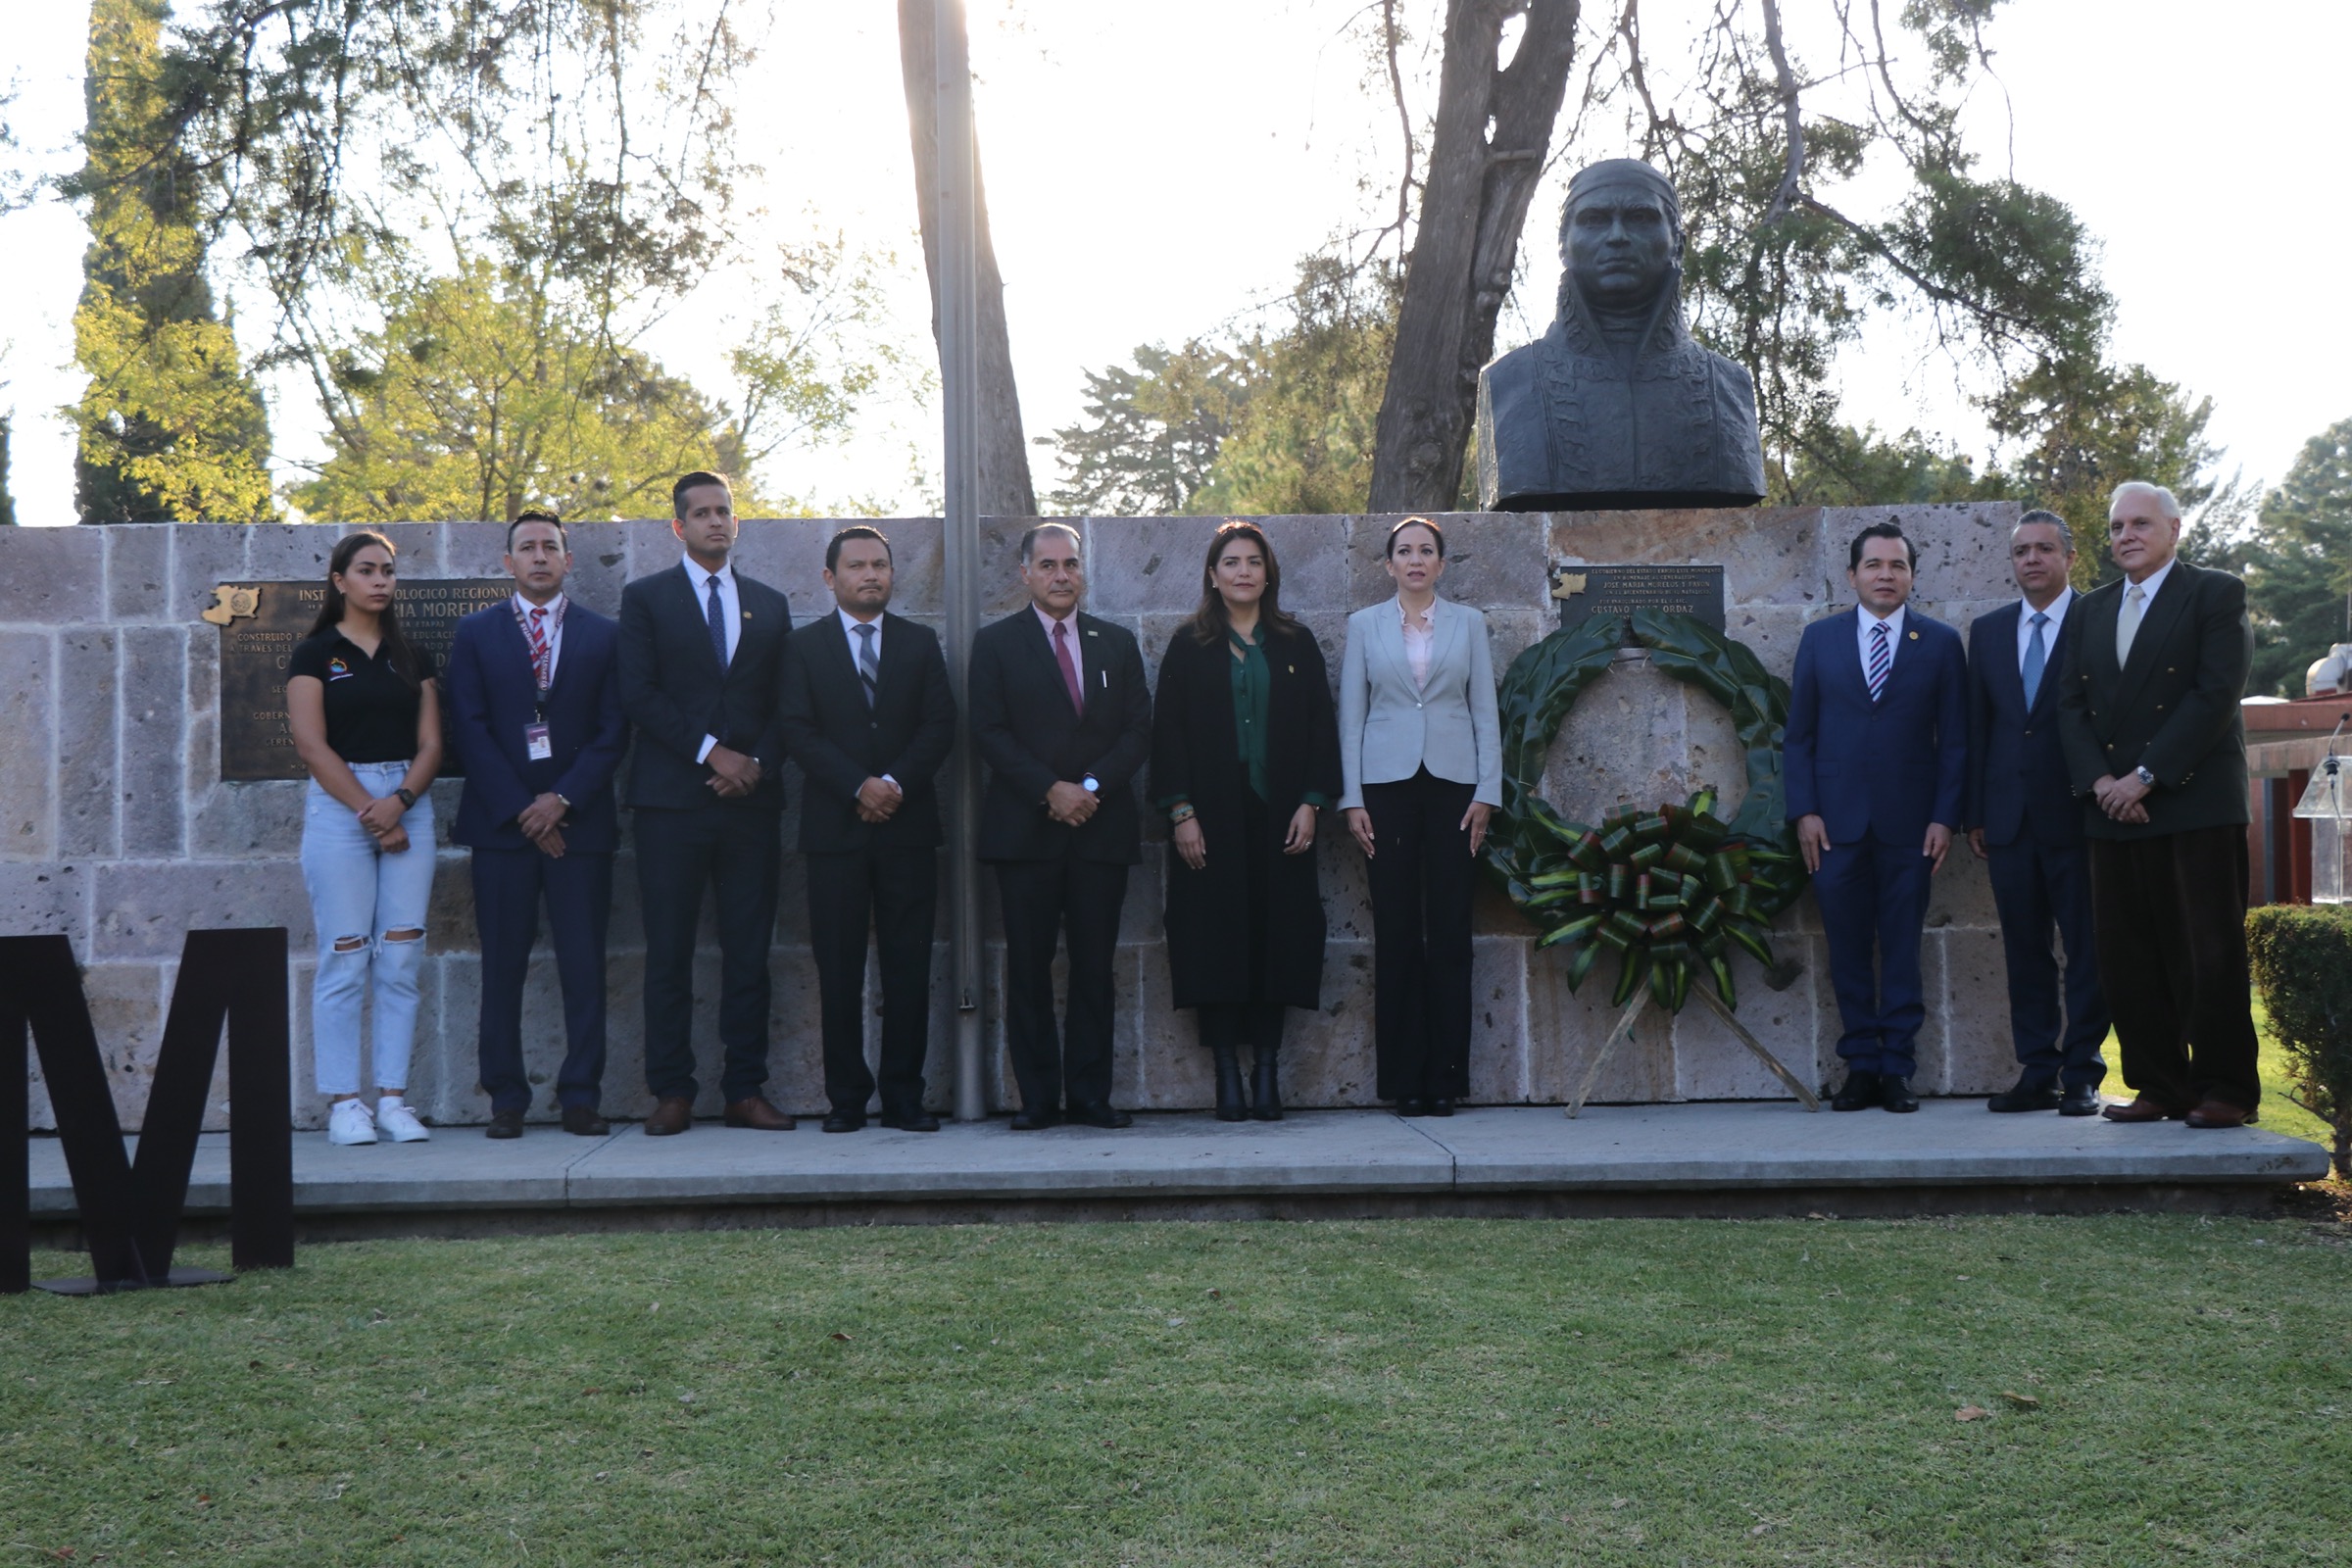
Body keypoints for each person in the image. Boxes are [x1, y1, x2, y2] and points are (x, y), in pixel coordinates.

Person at [2057, 481, 2261, 1128]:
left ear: (2174, 529)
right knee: (2128, 957)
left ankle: (2225, 1088)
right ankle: (2159, 1085)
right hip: (2111, 810)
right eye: (2116, 527)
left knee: (2209, 954)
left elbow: (2214, 694)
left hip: (2192, 803)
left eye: (2140, 524)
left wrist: (2145, 777)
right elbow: (2068, 706)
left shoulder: (2214, 593)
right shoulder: (2089, 609)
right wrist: (2102, 784)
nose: (2126, 537)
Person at [616, 471, 797, 1135]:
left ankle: (745, 1089)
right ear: (678, 527)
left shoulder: (770, 605)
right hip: (672, 804)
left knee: (749, 953)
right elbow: (638, 693)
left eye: (725, 511)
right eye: (702, 514)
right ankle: (673, 1091)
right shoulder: (646, 600)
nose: (716, 522)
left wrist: (757, 762)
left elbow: (789, 702)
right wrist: (710, 752)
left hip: (751, 804)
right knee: (669, 952)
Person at [444, 510, 629, 1139]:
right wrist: (526, 808)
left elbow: (614, 731)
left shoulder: (604, 635)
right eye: (528, 548)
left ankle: (581, 1095)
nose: (540, 557)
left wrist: (562, 801)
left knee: (583, 963)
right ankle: (506, 1097)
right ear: (509, 563)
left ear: (568, 561)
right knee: (502, 964)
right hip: (503, 828)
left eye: (551, 547)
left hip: (580, 827)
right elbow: (466, 727)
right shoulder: (475, 632)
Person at [1152, 521, 1342, 1120]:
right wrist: (1181, 812)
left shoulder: (1295, 643)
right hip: (1211, 817)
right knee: (1215, 941)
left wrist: (1312, 802)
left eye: (1253, 562)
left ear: (1268, 573)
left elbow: (1319, 728)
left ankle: (1266, 1073)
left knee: (1276, 939)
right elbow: (1168, 736)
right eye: (1230, 562)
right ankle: (1226, 1077)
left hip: (1281, 815)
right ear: (1213, 575)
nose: (1242, 571)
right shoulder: (1189, 646)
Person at [969, 522, 1152, 1130]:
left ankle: (1092, 1095)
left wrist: (1090, 788)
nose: (1060, 576)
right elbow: (988, 731)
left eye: (1070, 564)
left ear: (1083, 571)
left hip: (1100, 830)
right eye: (1047, 565)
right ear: (1025, 573)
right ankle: (1039, 1098)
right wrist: (1049, 789)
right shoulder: (995, 645)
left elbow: (1136, 731)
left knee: (1095, 969)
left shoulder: (1116, 643)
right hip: (1027, 832)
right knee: (1028, 968)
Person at [775, 525, 956, 1134]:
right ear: (831, 578)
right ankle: (846, 1099)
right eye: (857, 566)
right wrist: (859, 786)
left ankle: (905, 1096)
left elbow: (939, 726)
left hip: (907, 829)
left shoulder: (919, 643)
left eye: (880, 564)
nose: (871, 574)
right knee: (839, 968)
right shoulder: (803, 648)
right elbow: (798, 731)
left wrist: (893, 785)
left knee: (908, 969)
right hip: (836, 831)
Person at [1785, 521, 1967, 1114]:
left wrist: (1945, 818)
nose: (1886, 575)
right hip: (1833, 828)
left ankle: (1898, 1070)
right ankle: (1860, 1067)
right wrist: (1804, 810)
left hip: (1911, 828)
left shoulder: (1939, 643)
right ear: (1853, 575)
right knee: (1846, 950)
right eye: (1874, 565)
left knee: (1902, 949)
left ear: (1911, 575)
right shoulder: (1820, 640)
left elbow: (1956, 742)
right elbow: (1799, 737)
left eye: (1897, 566)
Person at [1338, 516, 1502, 1117]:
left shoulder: (1470, 624)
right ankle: (1406, 1079)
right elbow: (1351, 716)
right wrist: (1351, 798)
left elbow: (1484, 709)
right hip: (1385, 788)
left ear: (1440, 563)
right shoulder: (1364, 626)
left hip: (1456, 788)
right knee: (1399, 931)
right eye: (1403, 551)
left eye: (1425, 551)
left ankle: (1447, 1079)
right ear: (1388, 565)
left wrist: (1489, 790)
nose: (1414, 559)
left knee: (1453, 931)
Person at [285, 530, 443, 1147]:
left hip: (409, 803)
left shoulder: (413, 656)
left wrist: (399, 802)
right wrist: (371, 812)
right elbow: (309, 744)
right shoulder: (313, 653)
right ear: (339, 581)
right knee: (346, 956)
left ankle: (395, 1099)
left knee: (401, 957)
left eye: (388, 571)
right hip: (339, 811)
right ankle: (346, 1102)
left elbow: (431, 744)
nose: (380, 581)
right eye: (367, 570)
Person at [1965, 510, 2110, 1116]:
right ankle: (2037, 1070)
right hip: (2008, 820)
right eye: (2022, 550)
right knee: (2024, 948)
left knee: (2087, 948)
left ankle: (2082, 1072)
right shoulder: (1990, 630)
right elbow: (1979, 727)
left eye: (2045, 549)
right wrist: (1975, 810)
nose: (2032, 559)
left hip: (2079, 815)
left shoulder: (2098, 621)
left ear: (2070, 558)